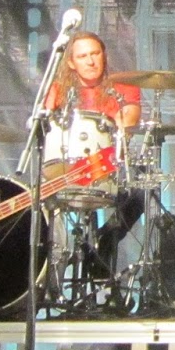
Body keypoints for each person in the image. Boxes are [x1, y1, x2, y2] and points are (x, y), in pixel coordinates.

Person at [42, 31, 143, 281]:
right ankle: (50, 272)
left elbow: (128, 124)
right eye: (82, 56)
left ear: (104, 56)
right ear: (70, 62)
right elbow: (45, 128)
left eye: (95, 54)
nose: (90, 61)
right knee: (38, 194)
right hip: (66, 169)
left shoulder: (124, 87)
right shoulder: (57, 90)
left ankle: (102, 242)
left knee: (141, 191)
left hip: (107, 166)